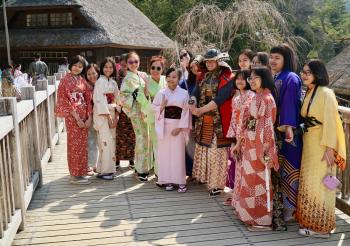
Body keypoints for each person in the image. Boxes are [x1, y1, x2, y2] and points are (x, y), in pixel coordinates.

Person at [296, 59, 346, 238]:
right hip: (310, 143)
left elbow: (332, 123)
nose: (304, 75)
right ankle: (312, 222)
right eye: (303, 72)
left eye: (308, 72)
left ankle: (321, 227)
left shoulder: (326, 93)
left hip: (322, 145)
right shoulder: (311, 91)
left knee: (322, 184)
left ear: (317, 74)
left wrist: (330, 148)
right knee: (311, 183)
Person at [235, 66, 279, 232]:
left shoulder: (267, 98)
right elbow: (250, 122)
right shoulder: (258, 96)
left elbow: (267, 126)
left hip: (261, 146)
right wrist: (242, 141)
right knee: (249, 180)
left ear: (264, 78)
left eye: (255, 78)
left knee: (260, 181)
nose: (251, 81)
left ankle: (262, 220)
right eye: (250, 78)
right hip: (251, 143)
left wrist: (264, 149)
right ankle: (248, 215)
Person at [190, 48, 234, 197]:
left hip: (218, 120)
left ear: (218, 61)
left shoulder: (227, 77)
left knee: (217, 152)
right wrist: (192, 103)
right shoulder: (202, 76)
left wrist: (200, 110)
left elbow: (219, 100)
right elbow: (195, 92)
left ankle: (217, 184)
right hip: (203, 119)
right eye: (207, 61)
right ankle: (204, 178)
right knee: (204, 149)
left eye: (212, 60)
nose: (209, 63)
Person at [270, 43, 302, 222]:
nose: (273, 60)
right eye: (271, 57)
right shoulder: (274, 76)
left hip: (288, 134)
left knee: (289, 168)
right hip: (275, 132)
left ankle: (290, 210)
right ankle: (280, 206)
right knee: (278, 168)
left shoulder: (291, 78)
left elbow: (290, 104)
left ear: (286, 59)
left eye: (277, 58)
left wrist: (288, 127)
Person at [152, 67, 191, 192]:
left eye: (174, 77)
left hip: (178, 126)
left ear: (179, 79)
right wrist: (161, 107)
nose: (171, 79)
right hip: (164, 125)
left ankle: (180, 181)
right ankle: (167, 180)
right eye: (168, 76)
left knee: (178, 155)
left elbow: (186, 112)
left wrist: (180, 128)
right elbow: (153, 108)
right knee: (165, 154)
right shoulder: (161, 92)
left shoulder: (184, 93)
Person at [55, 55, 92, 185]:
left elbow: (88, 98)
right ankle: (75, 175)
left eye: (80, 66)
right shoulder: (65, 80)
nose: (77, 68)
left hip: (84, 116)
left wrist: (89, 117)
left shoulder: (82, 80)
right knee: (74, 145)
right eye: (75, 65)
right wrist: (77, 119)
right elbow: (65, 100)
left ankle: (82, 170)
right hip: (73, 117)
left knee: (83, 145)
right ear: (71, 65)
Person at [120, 51, 153, 182]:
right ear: (126, 64)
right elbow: (122, 98)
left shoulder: (142, 75)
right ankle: (141, 170)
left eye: (136, 61)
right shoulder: (127, 78)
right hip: (137, 112)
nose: (134, 64)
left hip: (146, 111)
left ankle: (143, 166)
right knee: (141, 139)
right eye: (131, 62)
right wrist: (134, 95)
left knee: (147, 139)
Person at [224, 69, 255, 206]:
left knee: (246, 168)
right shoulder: (236, 98)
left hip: (248, 135)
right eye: (238, 79)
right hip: (237, 135)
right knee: (238, 167)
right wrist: (233, 137)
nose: (240, 81)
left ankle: (244, 200)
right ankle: (237, 198)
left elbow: (250, 119)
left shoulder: (252, 96)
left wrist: (242, 136)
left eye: (243, 79)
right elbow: (233, 118)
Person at [137, 56, 167, 175]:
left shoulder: (166, 80)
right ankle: (159, 172)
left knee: (165, 144)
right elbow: (140, 98)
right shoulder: (145, 81)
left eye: (158, 68)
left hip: (167, 116)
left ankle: (165, 169)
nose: (155, 70)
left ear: (162, 69)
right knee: (156, 144)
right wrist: (147, 96)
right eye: (153, 67)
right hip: (154, 116)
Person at [93, 57, 120, 180]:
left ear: (114, 68)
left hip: (113, 113)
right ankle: (106, 171)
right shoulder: (99, 82)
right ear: (102, 69)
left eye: (110, 67)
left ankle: (103, 169)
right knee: (105, 142)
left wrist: (117, 117)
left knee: (111, 141)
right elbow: (99, 100)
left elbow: (118, 99)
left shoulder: (113, 83)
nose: (108, 69)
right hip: (103, 115)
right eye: (106, 67)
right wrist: (109, 117)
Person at [180, 55, 205, 180]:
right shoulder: (185, 83)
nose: (195, 68)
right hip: (190, 118)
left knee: (203, 146)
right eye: (192, 67)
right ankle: (190, 172)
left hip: (204, 116)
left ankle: (201, 173)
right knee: (190, 146)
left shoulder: (206, 80)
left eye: (197, 65)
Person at [115, 53, 136, 170]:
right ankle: (117, 160)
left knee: (132, 136)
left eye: (126, 63)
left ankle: (131, 160)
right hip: (119, 110)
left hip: (131, 110)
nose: (124, 66)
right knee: (118, 136)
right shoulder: (115, 77)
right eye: (122, 64)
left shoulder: (134, 76)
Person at [85, 63, 100, 172]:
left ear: (98, 73)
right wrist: (89, 117)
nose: (92, 76)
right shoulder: (85, 87)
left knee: (103, 140)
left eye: (94, 73)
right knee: (91, 140)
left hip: (103, 116)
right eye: (89, 74)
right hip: (91, 116)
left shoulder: (102, 84)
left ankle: (101, 164)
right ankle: (92, 164)